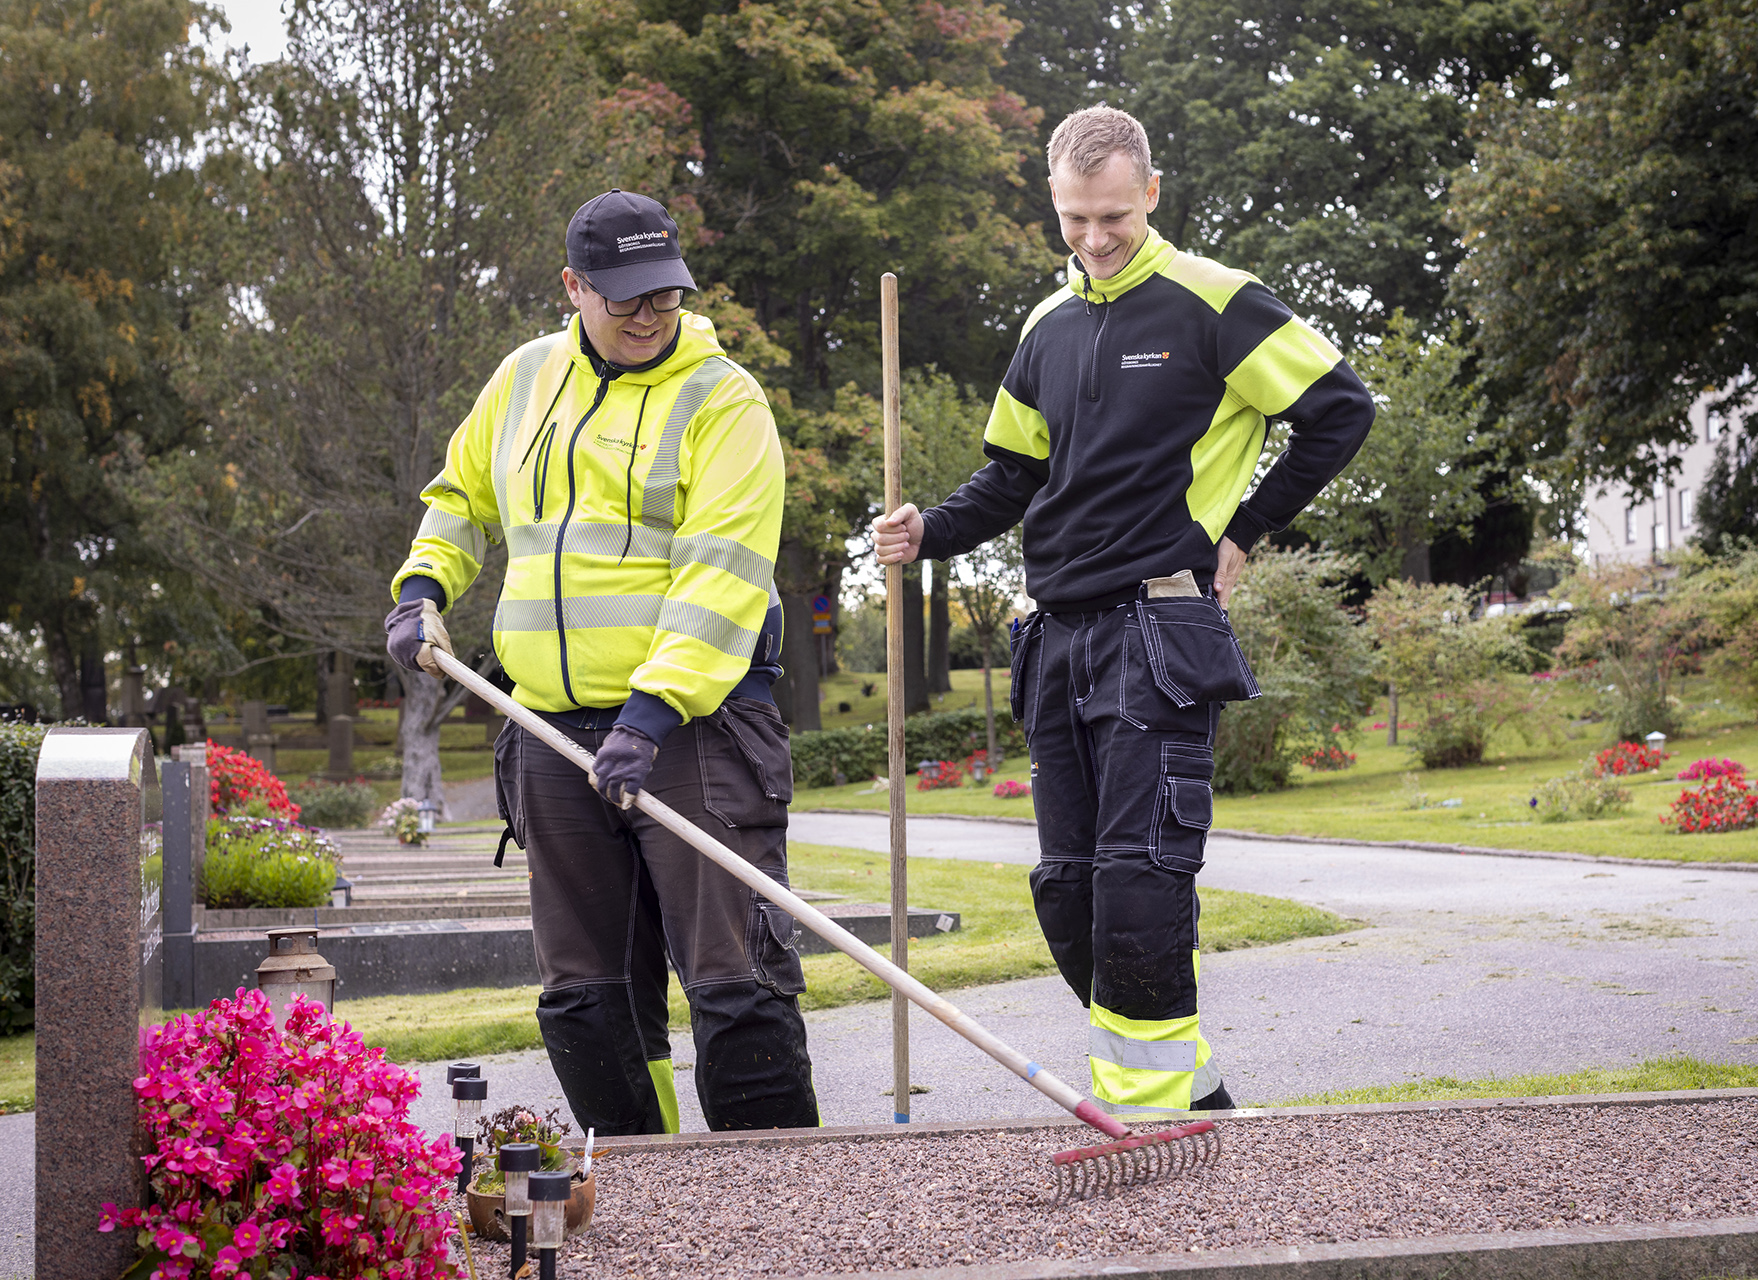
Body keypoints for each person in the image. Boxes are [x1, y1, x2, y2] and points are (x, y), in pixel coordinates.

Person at [873, 107, 1374, 1116]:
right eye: (1073, 219)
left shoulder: (1216, 303)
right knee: (1069, 891)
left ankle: (1144, 1120)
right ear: (1053, 206)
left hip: (1157, 632)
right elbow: (1010, 476)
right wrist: (928, 531)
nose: (1094, 239)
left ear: (1151, 193)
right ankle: (1192, 1097)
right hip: (1054, 639)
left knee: (1141, 883)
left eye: (1112, 215)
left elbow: (1340, 408)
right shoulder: (1044, 326)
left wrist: (1245, 528)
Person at [384, 189, 818, 1135]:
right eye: (622, 297)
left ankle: (783, 1196)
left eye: (663, 295)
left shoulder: (722, 398)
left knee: (732, 977)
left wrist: (651, 714)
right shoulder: (524, 379)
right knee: (588, 994)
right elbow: (461, 497)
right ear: (574, 286)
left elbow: (723, 575)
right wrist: (422, 589)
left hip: (694, 731)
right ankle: (643, 1182)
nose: (646, 315)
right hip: (547, 730)